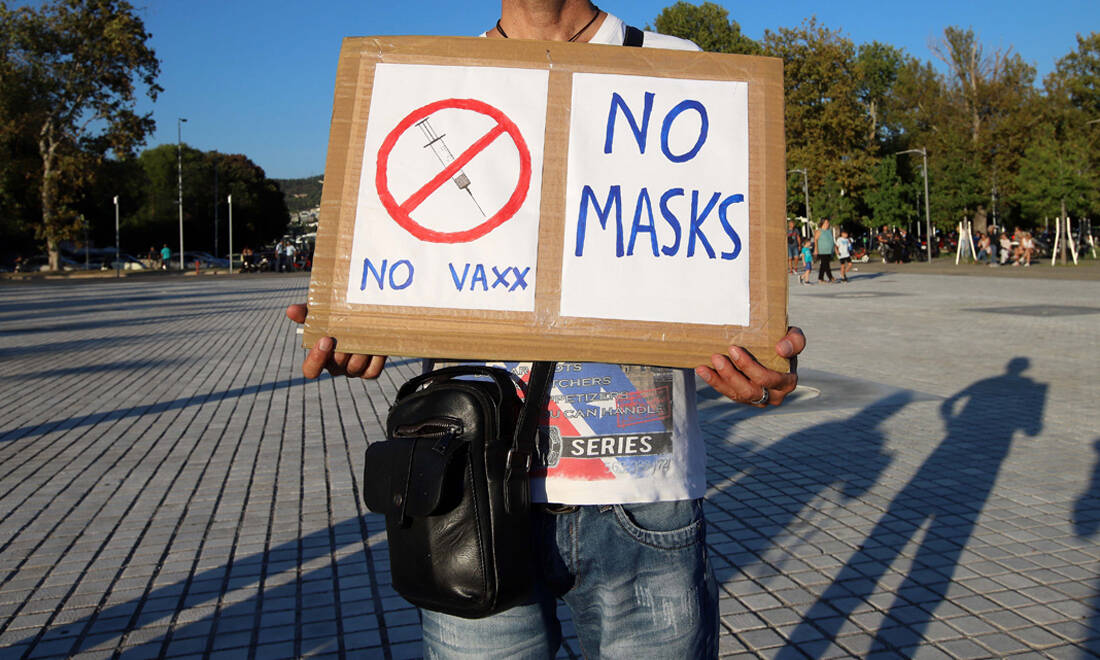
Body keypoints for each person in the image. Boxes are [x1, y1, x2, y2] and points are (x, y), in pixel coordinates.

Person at [286, 3, 807, 656]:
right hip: (468, 495)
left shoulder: (686, 72)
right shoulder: (428, 83)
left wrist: (761, 359)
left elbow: (725, 271)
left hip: (644, 504)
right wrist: (355, 323)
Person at [814, 218, 836, 283]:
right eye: (826, 223)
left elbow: (831, 240)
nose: (827, 224)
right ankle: (830, 277)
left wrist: (834, 248)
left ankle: (820, 278)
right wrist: (816, 249)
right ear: (822, 223)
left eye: (828, 222)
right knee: (826, 264)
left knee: (823, 265)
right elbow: (815, 240)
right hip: (822, 250)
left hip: (829, 250)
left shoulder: (829, 231)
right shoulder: (819, 231)